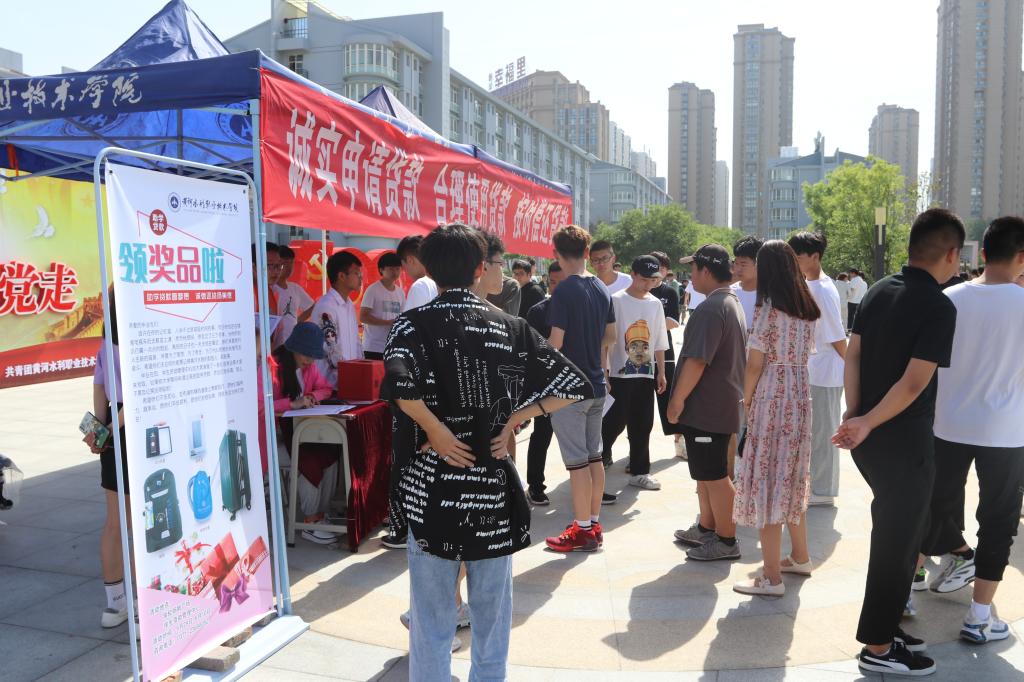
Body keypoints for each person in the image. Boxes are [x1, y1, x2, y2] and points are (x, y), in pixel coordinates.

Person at [383, 223, 589, 681]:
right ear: (479, 269)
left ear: (428, 270)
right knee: (492, 617)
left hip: (432, 488)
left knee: (431, 619)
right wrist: (516, 417)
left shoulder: (411, 324)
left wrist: (435, 430)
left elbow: (398, 385)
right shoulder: (510, 327)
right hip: (491, 489)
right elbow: (574, 384)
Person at [832, 208, 964, 677]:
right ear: (952, 254)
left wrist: (855, 413)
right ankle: (879, 646)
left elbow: (854, 355)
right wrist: (865, 421)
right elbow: (912, 383)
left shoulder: (878, 289)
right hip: (901, 441)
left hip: (872, 439)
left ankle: (886, 627)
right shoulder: (939, 306)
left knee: (906, 533)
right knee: (897, 541)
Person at [920, 216, 1024, 644]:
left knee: (931, 506)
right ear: (1022, 258)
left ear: (981, 252)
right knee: (998, 520)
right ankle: (979, 617)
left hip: (947, 423)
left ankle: (905, 591)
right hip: (1006, 430)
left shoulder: (949, 298)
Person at [732, 240, 820, 596]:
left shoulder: (768, 310)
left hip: (772, 397)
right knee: (791, 476)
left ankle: (771, 578)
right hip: (800, 395)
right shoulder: (807, 308)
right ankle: (800, 556)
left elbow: (754, 364)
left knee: (767, 481)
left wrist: (747, 399)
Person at [667, 244, 746, 562]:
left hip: (708, 408)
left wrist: (677, 400)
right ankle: (707, 527)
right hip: (716, 406)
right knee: (705, 473)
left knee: (715, 476)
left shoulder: (713, 307)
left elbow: (698, 361)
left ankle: (726, 541)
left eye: (693, 268)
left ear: (706, 270)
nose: (690, 275)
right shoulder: (728, 301)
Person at [545, 225, 617, 552]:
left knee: (576, 463)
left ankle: (582, 529)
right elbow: (611, 336)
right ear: (587, 252)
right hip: (597, 385)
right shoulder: (601, 287)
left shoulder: (563, 291)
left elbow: (556, 342)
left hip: (570, 389)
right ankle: (593, 523)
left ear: (557, 254)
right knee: (594, 457)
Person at [86, 286, 133, 629]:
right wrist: (113, 429)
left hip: (112, 430)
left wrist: (99, 431)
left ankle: (115, 605)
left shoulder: (105, 341)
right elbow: (135, 393)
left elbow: (99, 387)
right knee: (142, 525)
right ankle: (143, 606)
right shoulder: (138, 335)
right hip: (136, 427)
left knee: (114, 522)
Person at [789, 232, 848, 507]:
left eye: (798, 256)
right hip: (812, 369)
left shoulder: (823, 289)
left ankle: (823, 491)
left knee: (824, 433)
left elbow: (837, 336)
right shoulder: (807, 284)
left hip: (826, 371)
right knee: (812, 432)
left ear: (815, 256)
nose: (794, 261)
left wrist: (852, 369)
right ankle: (814, 485)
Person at [602, 255, 669, 490]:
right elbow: (606, 341)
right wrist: (604, 372)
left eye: (653, 280)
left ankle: (640, 471)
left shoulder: (655, 304)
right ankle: (597, 459)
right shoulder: (616, 300)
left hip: (646, 374)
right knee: (613, 422)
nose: (648, 284)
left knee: (643, 423)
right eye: (644, 279)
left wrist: (661, 371)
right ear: (633, 274)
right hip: (618, 374)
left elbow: (659, 340)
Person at [269, 323, 338, 544]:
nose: (309, 360)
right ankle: (310, 521)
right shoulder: (273, 368)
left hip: (299, 433)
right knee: (308, 458)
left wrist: (312, 396)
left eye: (313, 355)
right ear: (293, 349)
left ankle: (320, 514)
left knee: (330, 453)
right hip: (274, 439)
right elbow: (261, 405)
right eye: (305, 354)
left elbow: (326, 388)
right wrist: (292, 403)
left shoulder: (310, 368)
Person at [525, 261, 565, 505]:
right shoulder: (538, 312)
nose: (556, 287)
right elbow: (533, 351)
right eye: (552, 282)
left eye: (562, 282)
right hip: (548, 384)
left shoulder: (583, 308)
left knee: (588, 440)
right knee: (542, 435)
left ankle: (591, 485)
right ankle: (535, 485)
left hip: (580, 382)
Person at [728, 236, 763, 478]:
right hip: (732, 372)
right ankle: (731, 476)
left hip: (760, 374)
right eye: (736, 263)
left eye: (744, 263)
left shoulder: (770, 297)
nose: (737, 268)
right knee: (733, 427)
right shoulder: (730, 294)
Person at [648, 252, 685, 459]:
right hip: (639, 354)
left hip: (665, 352)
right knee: (639, 404)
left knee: (668, 398)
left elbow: (673, 322)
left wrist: (645, 325)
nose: (657, 271)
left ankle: (679, 441)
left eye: (661, 267)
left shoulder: (669, 292)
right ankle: (637, 448)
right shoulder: (637, 291)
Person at [310, 251, 363, 386]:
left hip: (349, 380)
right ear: (341, 276)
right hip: (330, 384)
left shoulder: (349, 304)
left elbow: (356, 342)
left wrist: (361, 370)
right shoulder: (326, 306)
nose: (361, 278)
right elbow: (330, 349)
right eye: (356, 273)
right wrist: (348, 375)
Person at [360, 251, 406, 360]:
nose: (395, 272)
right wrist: (387, 323)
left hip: (393, 346)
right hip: (373, 348)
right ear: (381, 270)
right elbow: (363, 317)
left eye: (397, 269)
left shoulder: (400, 292)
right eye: (391, 269)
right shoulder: (373, 290)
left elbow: (403, 316)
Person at [272, 245, 314, 349]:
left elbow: (312, 307)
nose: (289, 267)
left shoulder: (295, 288)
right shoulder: (270, 289)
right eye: (285, 263)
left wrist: (297, 322)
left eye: (291, 262)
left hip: (293, 343)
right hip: (275, 345)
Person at [398, 235, 439, 312]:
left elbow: (411, 319)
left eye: (403, 265)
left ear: (410, 260)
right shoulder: (442, 281)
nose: (404, 271)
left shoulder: (420, 286)